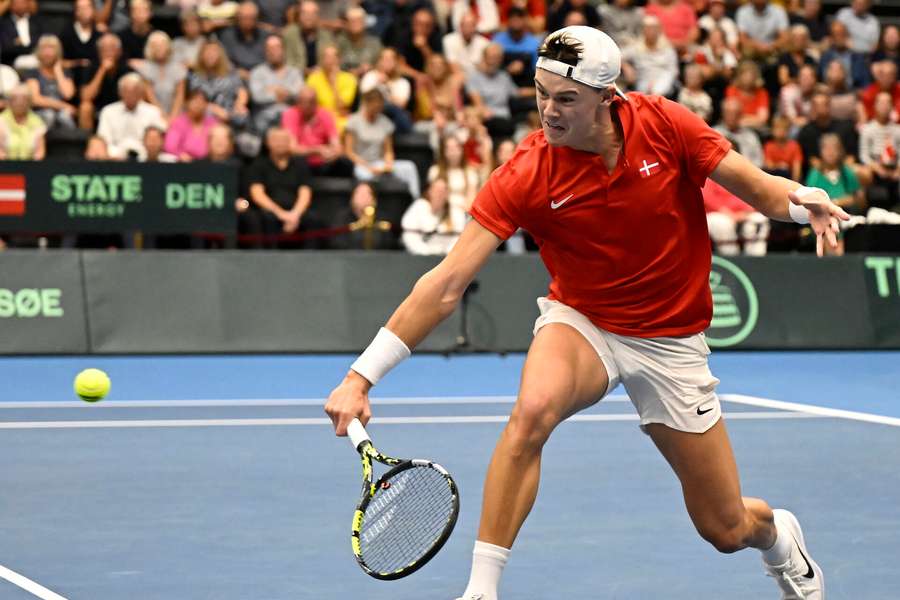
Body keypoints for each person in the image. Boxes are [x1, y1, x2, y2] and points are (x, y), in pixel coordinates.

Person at [325, 26, 846, 600]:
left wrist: (802, 201)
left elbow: (758, 188)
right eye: (540, 94)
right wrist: (360, 376)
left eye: (565, 98)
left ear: (607, 96)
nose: (548, 110)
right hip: (585, 320)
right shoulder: (525, 174)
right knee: (533, 410)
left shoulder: (666, 124)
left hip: (670, 338)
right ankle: (480, 590)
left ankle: (777, 537)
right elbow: (446, 283)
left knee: (724, 527)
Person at [344, 87, 421, 199]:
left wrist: (388, 163)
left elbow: (388, 150)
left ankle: (415, 200)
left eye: (379, 107)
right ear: (366, 104)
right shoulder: (354, 121)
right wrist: (368, 167)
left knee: (409, 167)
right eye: (374, 106)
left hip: (379, 163)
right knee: (365, 175)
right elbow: (349, 152)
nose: (376, 110)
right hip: (361, 164)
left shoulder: (385, 122)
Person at [243, 126, 314, 248]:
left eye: (284, 139)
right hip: (270, 210)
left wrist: (295, 215)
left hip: (295, 210)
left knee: (314, 220)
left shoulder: (300, 164)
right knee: (265, 220)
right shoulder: (258, 164)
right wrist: (281, 214)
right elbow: (257, 194)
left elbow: (305, 192)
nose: (280, 143)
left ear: (290, 142)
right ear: (267, 143)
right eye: (276, 139)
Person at [281, 86, 353, 177]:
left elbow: (336, 144)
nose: (306, 105)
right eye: (303, 102)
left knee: (345, 163)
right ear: (298, 102)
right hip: (300, 161)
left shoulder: (325, 114)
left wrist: (332, 153)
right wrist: (315, 150)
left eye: (310, 102)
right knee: (298, 161)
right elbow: (292, 148)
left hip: (323, 161)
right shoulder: (290, 115)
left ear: (316, 102)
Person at [96, 72, 166, 160]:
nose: (130, 95)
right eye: (126, 91)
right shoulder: (108, 111)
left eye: (134, 91)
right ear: (120, 93)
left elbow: (159, 140)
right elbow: (103, 139)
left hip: (146, 158)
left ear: (141, 93)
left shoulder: (153, 112)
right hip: (114, 158)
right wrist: (116, 155)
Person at [248, 35, 303, 133]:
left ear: (283, 50)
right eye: (270, 48)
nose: (274, 51)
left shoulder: (294, 72)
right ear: (266, 52)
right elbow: (257, 97)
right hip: (265, 119)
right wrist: (280, 94)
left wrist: (272, 90)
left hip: (290, 117)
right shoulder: (257, 73)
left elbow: (299, 94)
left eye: (277, 47)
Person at [131, 31, 187, 120]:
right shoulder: (145, 68)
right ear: (150, 48)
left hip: (177, 113)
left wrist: (172, 118)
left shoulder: (178, 67)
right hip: (153, 113)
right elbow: (150, 97)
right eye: (155, 46)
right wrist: (163, 116)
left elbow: (179, 96)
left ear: (168, 46)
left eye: (162, 45)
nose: (159, 48)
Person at [24, 35, 77, 130]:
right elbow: (36, 99)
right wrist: (62, 105)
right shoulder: (32, 72)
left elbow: (68, 94)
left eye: (52, 48)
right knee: (49, 115)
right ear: (39, 51)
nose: (48, 53)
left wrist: (58, 70)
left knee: (65, 117)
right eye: (44, 48)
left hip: (62, 113)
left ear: (58, 51)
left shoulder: (65, 72)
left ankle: (70, 144)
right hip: (40, 111)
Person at [401, 177, 466, 255]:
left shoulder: (455, 211)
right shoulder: (419, 207)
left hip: (447, 257)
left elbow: (459, 239)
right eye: (437, 190)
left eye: (443, 191)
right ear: (430, 191)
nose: (440, 194)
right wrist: (426, 253)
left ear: (447, 194)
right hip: (421, 256)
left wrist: (447, 254)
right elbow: (409, 236)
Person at [164, 88, 219, 161]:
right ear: (187, 103)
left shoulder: (213, 123)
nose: (198, 105)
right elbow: (169, 146)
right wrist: (180, 154)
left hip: (209, 162)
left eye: (202, 102)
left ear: (206, 105)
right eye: (195, 101)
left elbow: (218, 145)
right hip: (183, 164)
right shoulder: (178, 122)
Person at [0, 84, 45, 159]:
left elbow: (40, 152)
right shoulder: (1, 120)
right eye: (15, 99)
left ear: (30, 102)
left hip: (31, 166)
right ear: (9, 102)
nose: (20, 102)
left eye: (24, 99)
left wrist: (32, 167)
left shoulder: (37, 121)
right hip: (5, 166)